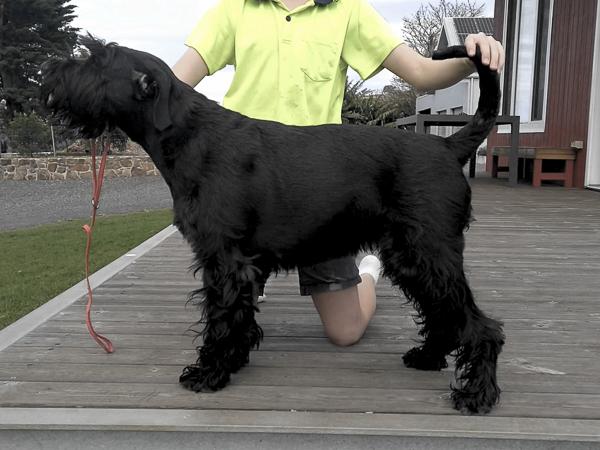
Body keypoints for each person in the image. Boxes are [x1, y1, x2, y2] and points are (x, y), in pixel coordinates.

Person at [172, 0, 505, 347]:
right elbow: (173, 84)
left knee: (346, 332)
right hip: (246, 191)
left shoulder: (347, 10)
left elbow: (421, 72)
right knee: (230, 290)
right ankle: (253, 281)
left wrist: (474, 59)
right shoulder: (235, 8)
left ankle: (367, 275)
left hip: (321, 192)